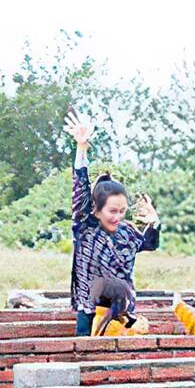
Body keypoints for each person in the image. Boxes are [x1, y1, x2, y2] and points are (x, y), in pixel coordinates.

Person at [63, 110, 160, 336]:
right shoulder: (86, 226)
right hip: (90, 314)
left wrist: (154, 222)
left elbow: (149, 244)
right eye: (112, 211)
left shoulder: (126, 232)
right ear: (96, 210)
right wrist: (82, 148)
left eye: (123, 211)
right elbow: (80, 190)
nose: (118, 217)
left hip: (121, 315)